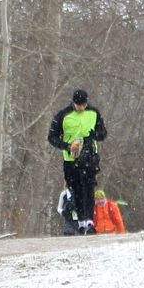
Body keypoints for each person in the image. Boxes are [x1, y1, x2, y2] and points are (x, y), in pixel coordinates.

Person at [47, 89, 107, 235]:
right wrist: (67, 146)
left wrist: (95, 135)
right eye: (79, 105)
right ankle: (81, 222)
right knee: (76, 190)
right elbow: (52, 137)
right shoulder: (63, 115)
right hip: (71, 158)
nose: (81, 107)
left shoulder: (94, 113)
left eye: (84, 104)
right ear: (73, 102)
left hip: (90, 156)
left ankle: (89, 221)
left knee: (89, 188)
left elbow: (103, 133)